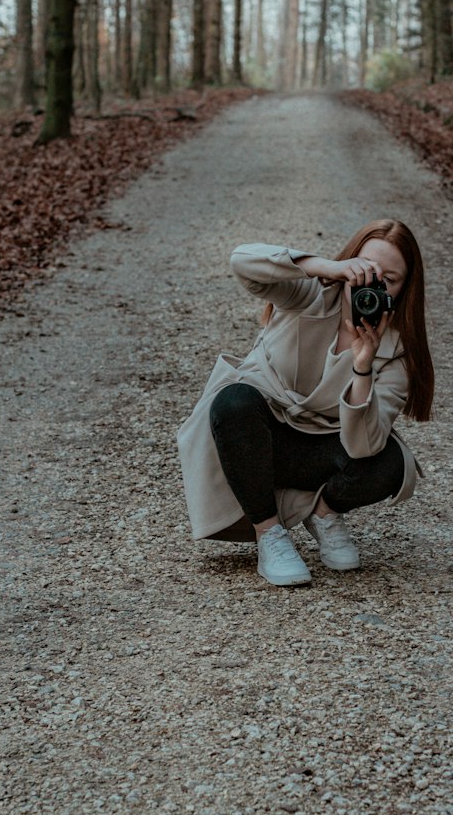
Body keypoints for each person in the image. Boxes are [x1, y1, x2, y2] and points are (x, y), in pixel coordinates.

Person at [177, 218, 434, 587]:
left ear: (404, 289)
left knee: (392, 460)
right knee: (233, 402)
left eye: (388, 280)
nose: (372, 286)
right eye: (367, 270)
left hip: (323, 454)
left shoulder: (397, 352)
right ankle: (269, 535)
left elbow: (364, 448)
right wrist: (329, 268)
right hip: (259, 442)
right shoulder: (310, 293)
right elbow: (241, 260)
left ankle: (325, 514)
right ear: (351, 264)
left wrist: (363, 367)